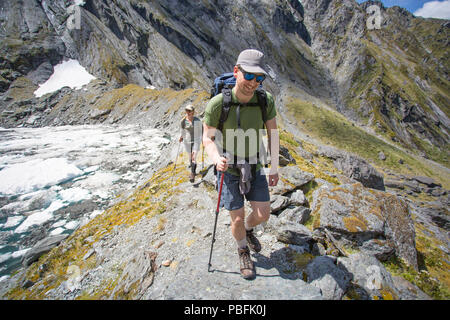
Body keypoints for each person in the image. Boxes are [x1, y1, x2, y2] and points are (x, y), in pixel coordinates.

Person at [203, 49, 279, 280]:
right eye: (249, 76)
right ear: (236, 71)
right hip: (229, 171)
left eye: (259, 78)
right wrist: (216, 159)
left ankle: (248, 230)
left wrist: (274, 167)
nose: (253, 83)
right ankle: (242, 249)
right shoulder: (218, 104)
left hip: (254, 166)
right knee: (235, 217)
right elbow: (207, 138)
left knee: (263, 214)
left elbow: (273, 134)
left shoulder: (265, 100)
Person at [179, 104, 202, 182]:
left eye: (189, 111)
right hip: (187, 141)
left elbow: (201, 130)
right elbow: (182, 130)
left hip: (196, 141)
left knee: (193, 157)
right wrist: (181, 137)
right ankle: (194, 170)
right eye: (186, 110)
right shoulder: (183, 121)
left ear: (193, 112)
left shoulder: (197, 120)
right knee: (190, 158)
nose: (187, 112)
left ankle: (192, 174)